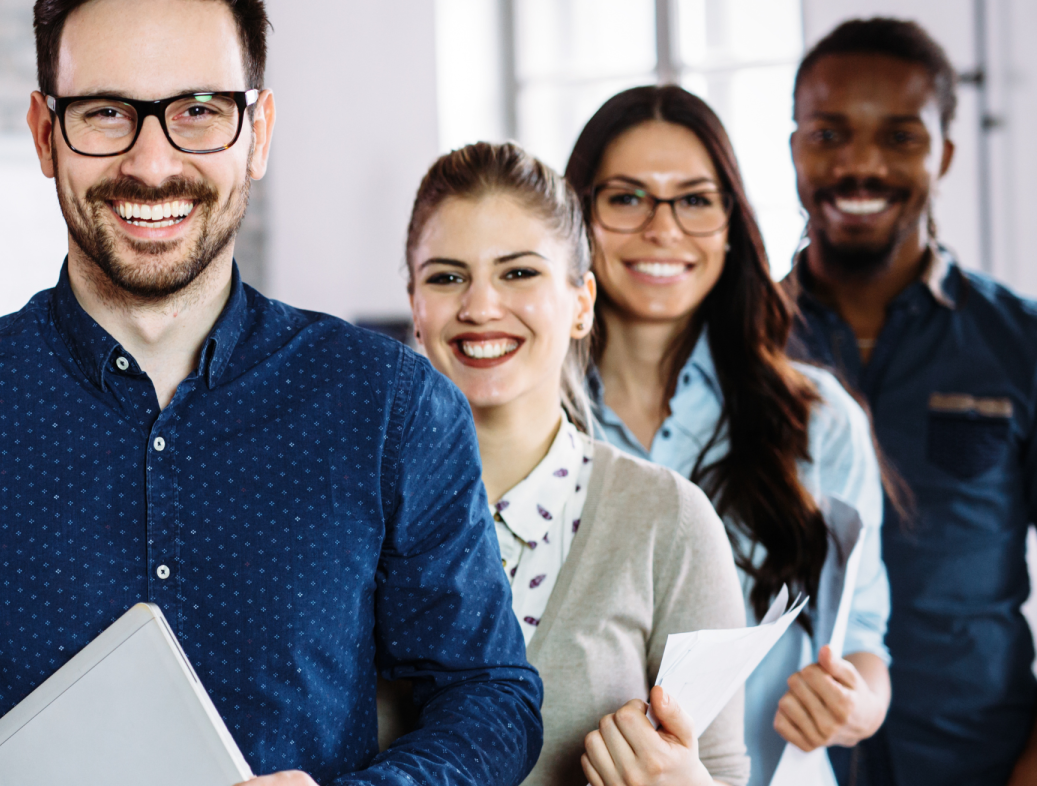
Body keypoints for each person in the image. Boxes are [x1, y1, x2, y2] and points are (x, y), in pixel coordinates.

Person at [0, 0, 543, 783]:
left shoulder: (392, 406)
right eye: (104, 113)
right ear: (46, 134)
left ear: (257, 133)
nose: (151, 165)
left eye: (198, 109)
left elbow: (490, 699)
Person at [563, 85, 892, 786]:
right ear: (578, 218)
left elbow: (864, 646)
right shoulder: (528, 421)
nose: (662, 229)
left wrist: (850, 705)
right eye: (626, 198)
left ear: (732, 224)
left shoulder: (820, 421)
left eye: (695, 200)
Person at [405, 141, 747, 786]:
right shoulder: (352, 512)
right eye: (447, 277)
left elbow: (725, 772)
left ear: (582, 303)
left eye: (519, 273)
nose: (480, 306)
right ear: (416, 310)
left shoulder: (666, 520)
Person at [782, 19, 1037, 786]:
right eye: (828, 133)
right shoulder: (735, 349)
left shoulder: (1020, 344)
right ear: (794, 146)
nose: (860, 165)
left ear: (945, 153)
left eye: (899, 137)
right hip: (779, 765)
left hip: (981, 762)